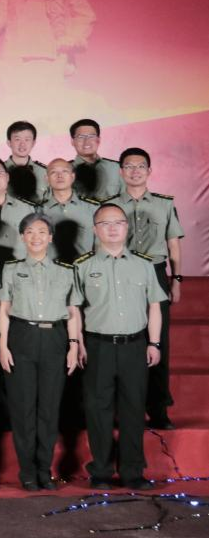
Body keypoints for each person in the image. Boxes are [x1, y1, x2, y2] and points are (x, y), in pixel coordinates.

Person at [74, 203, 165, 491]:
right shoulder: (83, 266)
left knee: (133, 409)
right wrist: (78, 343)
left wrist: (154, 343)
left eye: (118, 223)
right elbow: (74, 309)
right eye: (105, 223)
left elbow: (154, 306)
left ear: (127, 227)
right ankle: (101, 471)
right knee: (97, 410)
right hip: (98, 346)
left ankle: (132, 471)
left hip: (134, 346)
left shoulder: (144, 265)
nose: (112, 228)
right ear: (95, 229)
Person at [0, 213, 83, 491]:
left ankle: (44, 470)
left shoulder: (66, 271)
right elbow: (4, 308)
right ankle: (27, 472)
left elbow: (72, 311)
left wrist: (73, 345)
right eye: (30, 232)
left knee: (49, 408)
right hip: (22, 336)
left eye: (42, 232)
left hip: (55, 338)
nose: (36, 237)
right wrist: (2, 345)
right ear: (22, 237)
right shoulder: (11, 269)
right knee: (23, 409)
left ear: (50, 237)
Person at [108, 147, 184, 429]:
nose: (135, 171)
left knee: (158, 341)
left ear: (149, 171)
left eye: (140, 166)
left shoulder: (164, 204)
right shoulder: (110, 206)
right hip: (120, 273)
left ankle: (158, 408)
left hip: (155, 272)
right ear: (121, 172)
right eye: (129, 166)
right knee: (124, 340)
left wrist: (176, 279)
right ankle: (123, 408)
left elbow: (173, 244)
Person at [40, 158, 98, 262]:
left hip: (85, 269)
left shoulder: (93, 209)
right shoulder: (38, 211)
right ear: (47, 179)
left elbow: (101, 245)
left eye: (64, 171)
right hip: (51, 269)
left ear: (72, 177)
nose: (59, 176)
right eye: (54, 172)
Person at [69, 118, 122, 201]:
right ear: (72, 141)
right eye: (81, 137)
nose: (86, 141)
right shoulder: (62, 171)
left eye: (91, 136)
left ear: (98, 139)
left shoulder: (117, 168)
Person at [4, 121, 49, 204]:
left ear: (33, 143)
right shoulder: (0, 171)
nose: (22, 144)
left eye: (27, 140)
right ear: (9, 143)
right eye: (17, 139)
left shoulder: (45, 172)